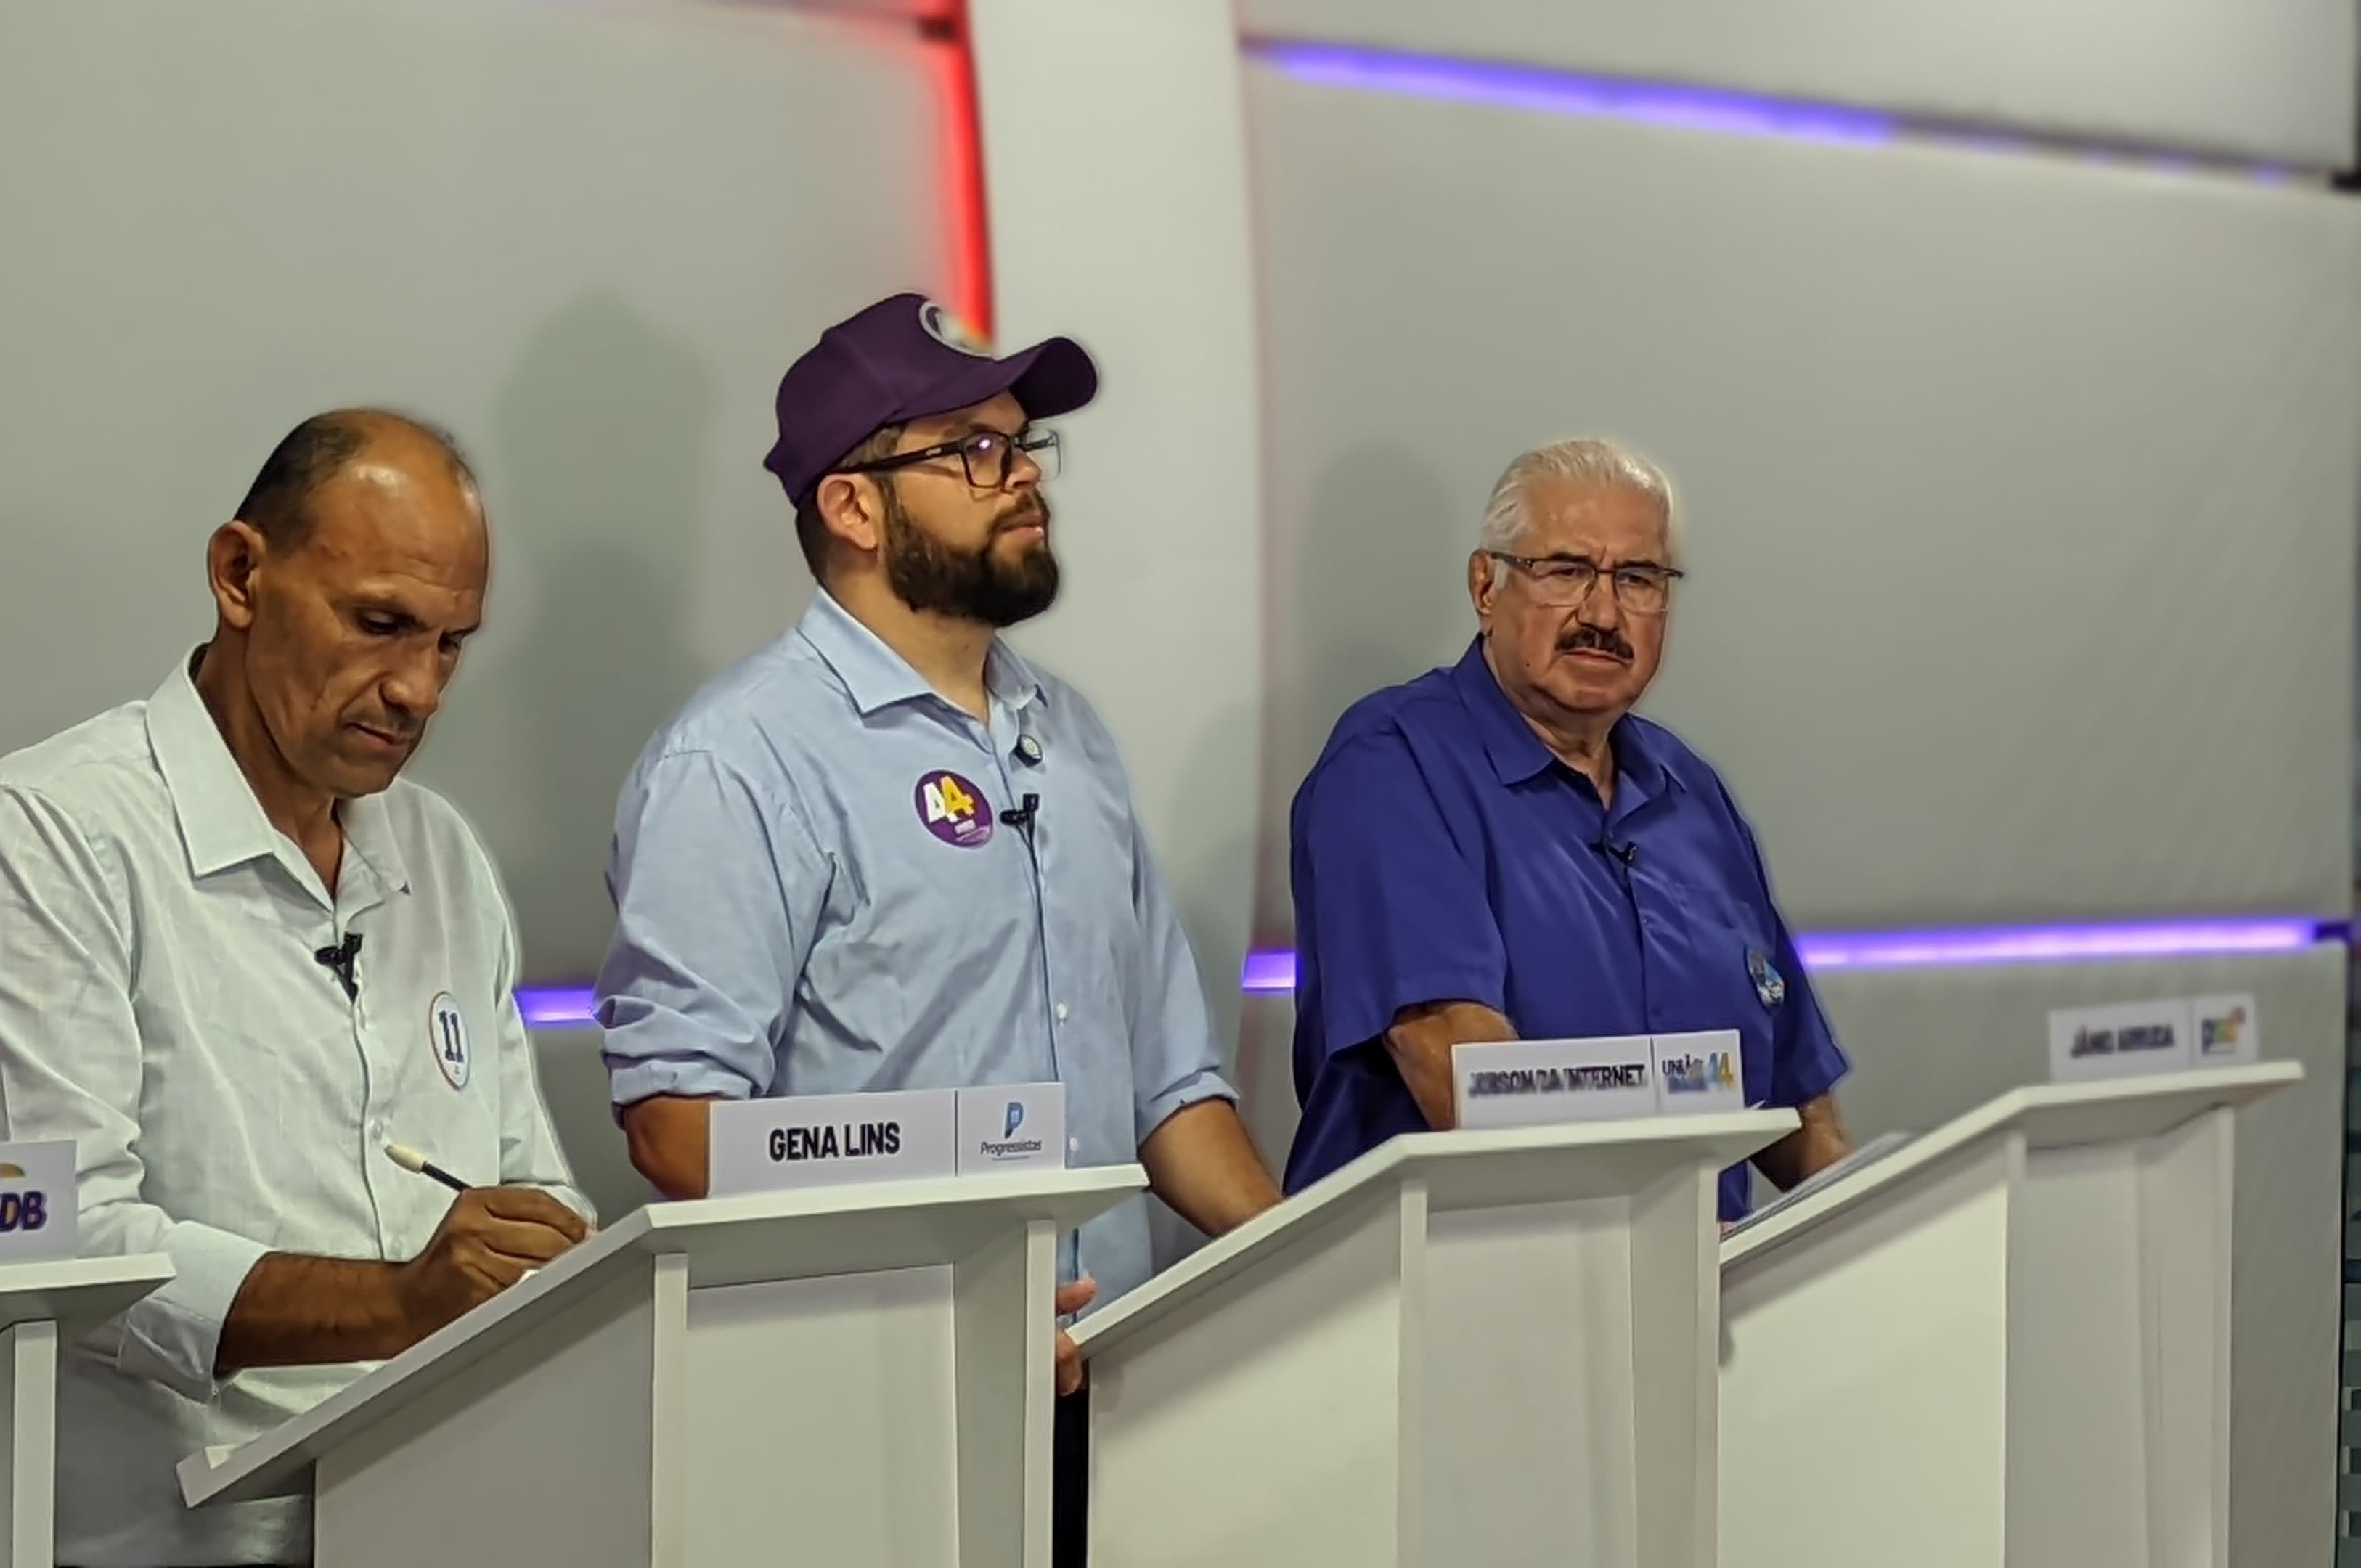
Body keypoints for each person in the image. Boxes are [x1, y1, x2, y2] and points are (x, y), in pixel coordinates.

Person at [0, 409, 592, 1568]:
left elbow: (520, 1182)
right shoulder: (53, 833)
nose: (418, 689)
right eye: (381, 625)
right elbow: (63, 1246)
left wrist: (550, 1258)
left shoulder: (438, 855)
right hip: (179, 1537)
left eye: (449, 644)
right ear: (241, 574)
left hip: (447, 1512)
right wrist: (400, 1301)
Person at [594, 293, 1284, 1379]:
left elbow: (1171, 1091)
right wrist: (950, 1296)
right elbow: (679, 1126)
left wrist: (1300, 1273)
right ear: (853, 509)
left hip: (1114, 1388)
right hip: (881, 1397)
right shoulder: (738, 761)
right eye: (972, 449)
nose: (1025, 474)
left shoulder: (1073, 736)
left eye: (1021, 443)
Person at [1283, 438, 1853, 1223]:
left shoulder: (1692, 794)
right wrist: (1657, 1231)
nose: (1603, 614)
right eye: (1566, 571)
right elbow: (1456, 1062)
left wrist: (1877, 1235)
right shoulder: (1394, 764)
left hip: (1685, 1306)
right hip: (1444, 1301)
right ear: (1487, 586)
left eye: (1638, 579)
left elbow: (1797, 1109)